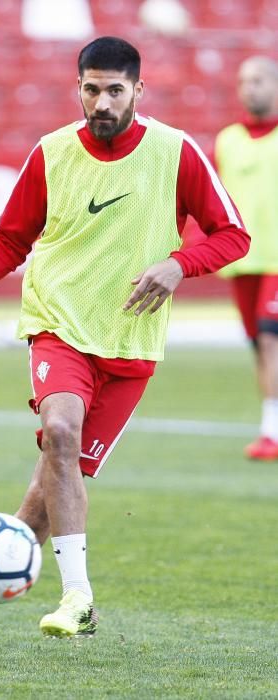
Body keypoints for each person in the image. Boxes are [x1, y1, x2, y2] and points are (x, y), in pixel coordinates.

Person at [0, 36, 250, 659]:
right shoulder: (52, 153)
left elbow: (232, 236)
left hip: (131, 345)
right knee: (60, 433)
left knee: (44, 501)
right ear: (77, 88)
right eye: (92, 89)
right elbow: (10, 242)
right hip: (58, 326)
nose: (103, 102)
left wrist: (177, 263)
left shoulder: (175, 152)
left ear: (139, 91)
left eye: (116, 90)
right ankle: (78, 597)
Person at [214, 56, 278, 460]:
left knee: (271, 338)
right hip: (243, 260)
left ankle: (270, 432)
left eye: (257, 80)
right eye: (243, 81)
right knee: (260, 345)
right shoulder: (228, 140)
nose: (249, 88)